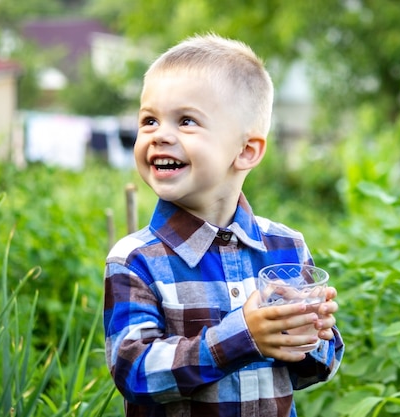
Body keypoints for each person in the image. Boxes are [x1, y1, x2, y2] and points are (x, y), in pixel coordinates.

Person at [103, 33, 344, 417]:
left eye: (186, 121)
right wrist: (242, 336)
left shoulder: (286, 247)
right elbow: (133, 373)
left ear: (246, 151)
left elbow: (317, 369)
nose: (160, 134)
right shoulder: (136, 259)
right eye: (149, 120)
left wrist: (312, 334)